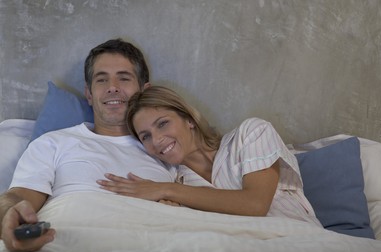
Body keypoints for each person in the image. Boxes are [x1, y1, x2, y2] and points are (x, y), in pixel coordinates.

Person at [0, 39, 175, 252]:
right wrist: (8, 214)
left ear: (145, 91)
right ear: (89, 95)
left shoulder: (167, 149)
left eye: (124, 78)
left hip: (155, 248)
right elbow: (18, 197)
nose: (112, 88)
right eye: (101, 80)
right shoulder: (52, 143)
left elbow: (199, 198)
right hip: (70, 248)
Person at [98, 86, 321, 226]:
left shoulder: (251, 133)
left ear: (189, 120)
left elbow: (255, 205)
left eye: (163, 123)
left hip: (304, 244)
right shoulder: (178, 180)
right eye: (145, 136)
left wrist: (168, 190)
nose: (156, 140)